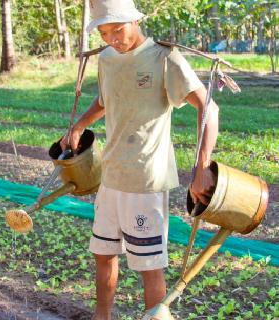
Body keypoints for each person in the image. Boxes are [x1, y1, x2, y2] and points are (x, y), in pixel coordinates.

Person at [61, 0, 218, 319]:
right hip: (111, 178)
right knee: (103, 255)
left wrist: (201, 166)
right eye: (104, 33)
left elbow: (208, 107)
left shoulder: (164, 58)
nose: (111, 39)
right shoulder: (106, 59)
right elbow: (105, 99)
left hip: (146, 182)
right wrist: (79, 125)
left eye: (117, 30)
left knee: (150, 267)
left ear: (134, 20)